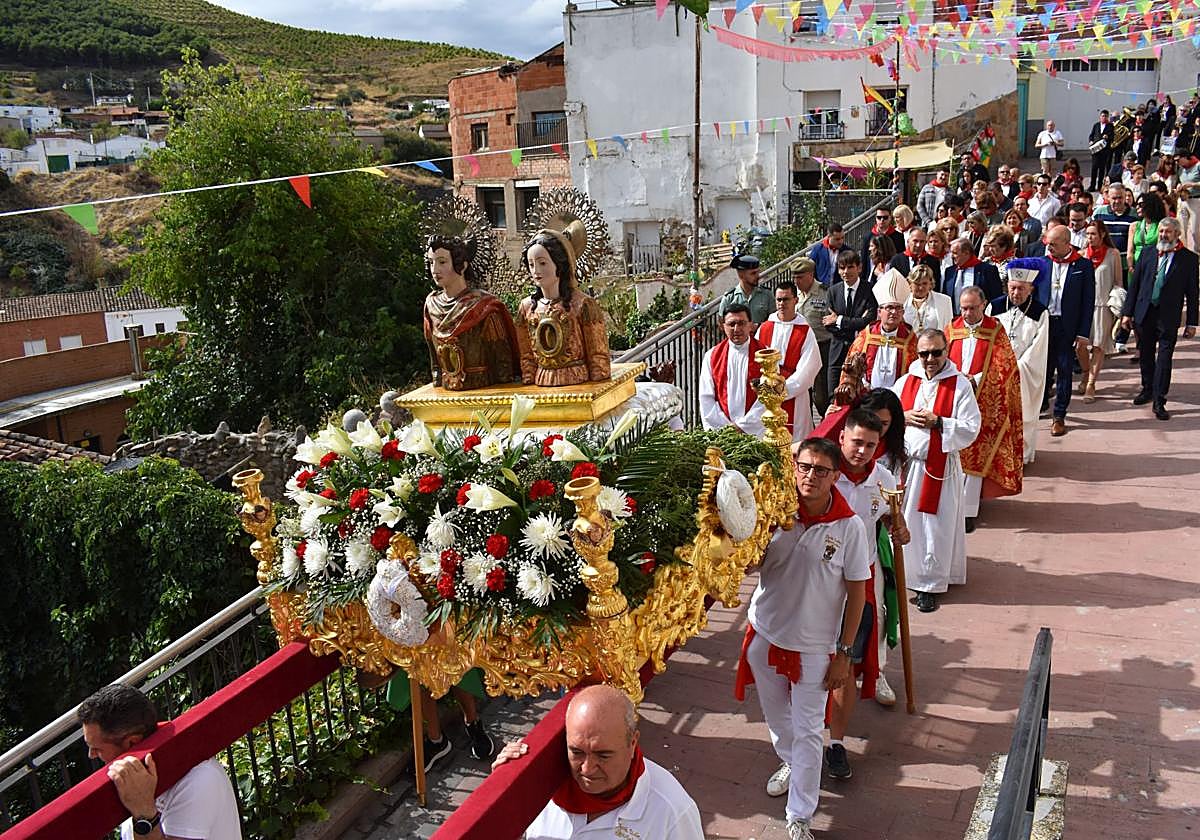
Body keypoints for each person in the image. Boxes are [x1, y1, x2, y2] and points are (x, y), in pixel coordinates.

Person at [734, 437, 870, 840]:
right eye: (804, 467)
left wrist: (845, 653)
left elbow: (858, 591)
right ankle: (791, 761)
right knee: (777, 715)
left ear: (834, 477)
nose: (810, 476)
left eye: (821, 470)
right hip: (765, 632)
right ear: (794, 468)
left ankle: (800, 814)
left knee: (810, 727)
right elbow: (750, 561)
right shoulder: (774, 512)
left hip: (815, 646)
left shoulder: (849, 527)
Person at [492, 684, 704, 839]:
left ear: (632, 743)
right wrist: (503, 794)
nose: (587, 769)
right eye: (577, 752)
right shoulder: (537, 784)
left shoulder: (672, 811)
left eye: (603, 755)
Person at [827, 411, 910, 776]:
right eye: (856, 442)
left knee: (846, 662)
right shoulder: (822, 473)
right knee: (813, 663)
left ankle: (836, 743)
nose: (861, 451)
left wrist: (898, 527)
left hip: (862, 582)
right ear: (842, 437)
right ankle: (803, 742)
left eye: (870, 445)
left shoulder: (884, 479)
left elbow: (890, 518)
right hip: (819, 584)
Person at [890, 329, 980, 613]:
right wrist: (902, 416)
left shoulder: (959, 385)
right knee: (905, 523)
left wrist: (939, 422)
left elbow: (970, 427)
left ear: (946, 351)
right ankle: (908, 574)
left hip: (937, 468)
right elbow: (885, 416)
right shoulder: (906, 381)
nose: (930, 359)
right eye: (924, 353)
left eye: (936, 353)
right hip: (905, 466)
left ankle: (930, 584)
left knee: (933, 527)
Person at [78, 685, 242, 840]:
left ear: (132, 743)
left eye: (97, 748)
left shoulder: (199, 779)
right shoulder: (134, 778)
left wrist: (144, 813)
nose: (91, 755)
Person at [949, 286, 1024, 533]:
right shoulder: (952, 329)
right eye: (963, 308)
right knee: (955, 455)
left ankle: (969, 512)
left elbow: (1005, 367)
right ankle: (952, 507)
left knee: (976, 457)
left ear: (983, 305)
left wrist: (976, 379)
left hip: (984, 401)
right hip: (954, 401)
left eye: (972, 308)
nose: (967, 313)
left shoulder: (995, 330)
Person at [1121, 217, 1199, 421]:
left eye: (1168, 232)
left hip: (1168, 317)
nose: (1164, 235)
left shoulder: (1189, 259)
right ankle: (1147, 389)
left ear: (1177, 234)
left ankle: (1159, 399)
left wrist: (1192, 322)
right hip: (1144, 312)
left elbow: (1192, 293)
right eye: (1162, 231)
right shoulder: (1147, 253)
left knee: (1164, 359)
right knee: (1145, 354)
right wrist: (1127, 313)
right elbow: (1135, 285)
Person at [423, 234, 522, 391]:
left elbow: (503, 361)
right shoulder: (431, 305)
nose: (435, 269)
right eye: (431, 262)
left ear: (461, 265)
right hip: (447, 391)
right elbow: (434, 356)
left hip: (483, 389)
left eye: (442, 262)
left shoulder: (484, 307)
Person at [516, 225, 611, 387]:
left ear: (559, 265)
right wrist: (529, 385)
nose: (536, 271)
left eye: (543, 263)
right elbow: (527, 356)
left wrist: (596, 390)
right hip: (541, 385)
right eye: (531, 265)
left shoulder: (582, 305)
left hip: (578, 383)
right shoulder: (526, 308)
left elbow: (598, 356)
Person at [988, 262, 1050, 464]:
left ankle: (1019, 456)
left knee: (1022, 414)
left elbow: (1038, 348)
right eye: (1013, 287)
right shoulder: (994, 306)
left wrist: (1017, 368)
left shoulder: (1040, 312)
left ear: (1031, 288)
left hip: (1023, 373)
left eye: (1021, 288)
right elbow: (987, 338)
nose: (1016, 293)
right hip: (996, 371)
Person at [1042, 224, 1097, 436]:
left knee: (1064, 370)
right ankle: (1041, 404)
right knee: (1043, 369)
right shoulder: (1044, 263)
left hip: (1067, 326)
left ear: (1067, 243)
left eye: (1054, 244)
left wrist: (1083, 333)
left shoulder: (1082, 266)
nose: (1050, 248)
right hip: (1045, 324)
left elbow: (1087, 301)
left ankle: (1059, 415)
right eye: (1048, 244)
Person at [758, 279, 823, 441]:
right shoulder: (765, 327)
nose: (782, 303)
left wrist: (783, 390)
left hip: (794, 394)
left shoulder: (805, 331)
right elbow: (755, 360)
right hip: (768, 393)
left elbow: (809, 368)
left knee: (795, 439)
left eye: (786, 299)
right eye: (779, 299)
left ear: (795, 300)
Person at [840, 269, 918, 392]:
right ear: (879, 312)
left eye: (898, 308)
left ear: (903, 312)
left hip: (898, 399)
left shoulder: (910, 340)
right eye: (889, 308)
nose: (894, 312)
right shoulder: (866, 337)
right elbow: (850, 371)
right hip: (868, 396)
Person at [700, 303, 766, 435]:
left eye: (741, 323)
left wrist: (744, 426)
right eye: (731, 324)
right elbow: (706, 397)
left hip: (757, 432)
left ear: (751, 325)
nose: (736, 329)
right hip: (723, 433)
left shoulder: (765, 355)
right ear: (723, 326)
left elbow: (768, 397)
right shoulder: (711, 356)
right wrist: (727, 429)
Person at [824, 250, 879, 397]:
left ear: (859, 268)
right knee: (833, 396)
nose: (845, 272)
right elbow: (828, 324)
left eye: (850, 267)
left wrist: (840, 320)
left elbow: (869, 321)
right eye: (842, 268)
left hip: (861, 352)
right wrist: (856, 323)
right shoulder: (833, 291)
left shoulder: (870, 290)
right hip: (837, 352)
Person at [1081, 220, 1121, 401]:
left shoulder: (1113, 254)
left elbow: (1118, 282)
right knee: (1080, 345)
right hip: (1083, 307)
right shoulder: (1081, 255)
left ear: (1102, 234)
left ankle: (1091, 383)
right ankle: (1085, 372)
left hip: (1102, 307)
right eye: (1088, 234)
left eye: (1093, 234)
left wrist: (1117, 307)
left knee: (1098, 347)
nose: (1090, 238)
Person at [791, 258, 835, 415]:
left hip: (821, 347)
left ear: (811, 274)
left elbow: (833, 319)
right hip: (799, 351)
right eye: (794, 277)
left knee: (821, 395)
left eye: (800, 277)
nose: (796, 281)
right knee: (803, 393)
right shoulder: (794, 295)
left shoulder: (825, 293)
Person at [943, 236, 1002, 313]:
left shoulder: (987, 270)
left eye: (955, 253)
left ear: (966, 253)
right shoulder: (950, 271)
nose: (952, 256)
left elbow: (996, 298)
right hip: (955, 320)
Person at [1094, 184, 1137, 278]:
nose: (1117, 201)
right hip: (1103, 263)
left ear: (1125, 197)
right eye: (1114, 198)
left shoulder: (1135, 214)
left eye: (1120, 197)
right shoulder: (1099, 213)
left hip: (1125, 265)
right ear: (1108, 197)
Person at [719, 253, 774, 326]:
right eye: (753, 273)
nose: (758, 276)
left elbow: (774, 321)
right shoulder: (729, 298)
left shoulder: (767, 295)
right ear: (741, 275)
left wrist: (757, 327)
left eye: (758, 272)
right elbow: (722, 324)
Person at [905, 263, 954, 333]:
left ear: (930, 283)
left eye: (924, 283)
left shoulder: (944, 301)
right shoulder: (902, 301)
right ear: (910, 283)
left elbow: (948, 331)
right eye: (917, 284)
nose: (921, 288)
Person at [859, 206, 905, 274]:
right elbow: (864, 260)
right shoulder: (867, 237)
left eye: (885, 217)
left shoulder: (898, 236)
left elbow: (901, 259)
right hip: (871, 275)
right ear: (876, 218)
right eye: (879, 217)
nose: (882, 220)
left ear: (890, 218)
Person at [1088, 110, 1115, 192]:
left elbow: (1113, 137)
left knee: (1102, 169)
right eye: (1102, 116)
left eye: (1105, 116)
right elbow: (1091, 135)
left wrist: (1108, 137)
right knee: (1094, 168)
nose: (1104, 117)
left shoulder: (1110, 126)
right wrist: (1091, 141)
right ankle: (1092, 186)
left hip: (1104, 151)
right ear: (1100, 117)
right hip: (1096, 150)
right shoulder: (1096, 125)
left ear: (1108, 117)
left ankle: (1100, 186)